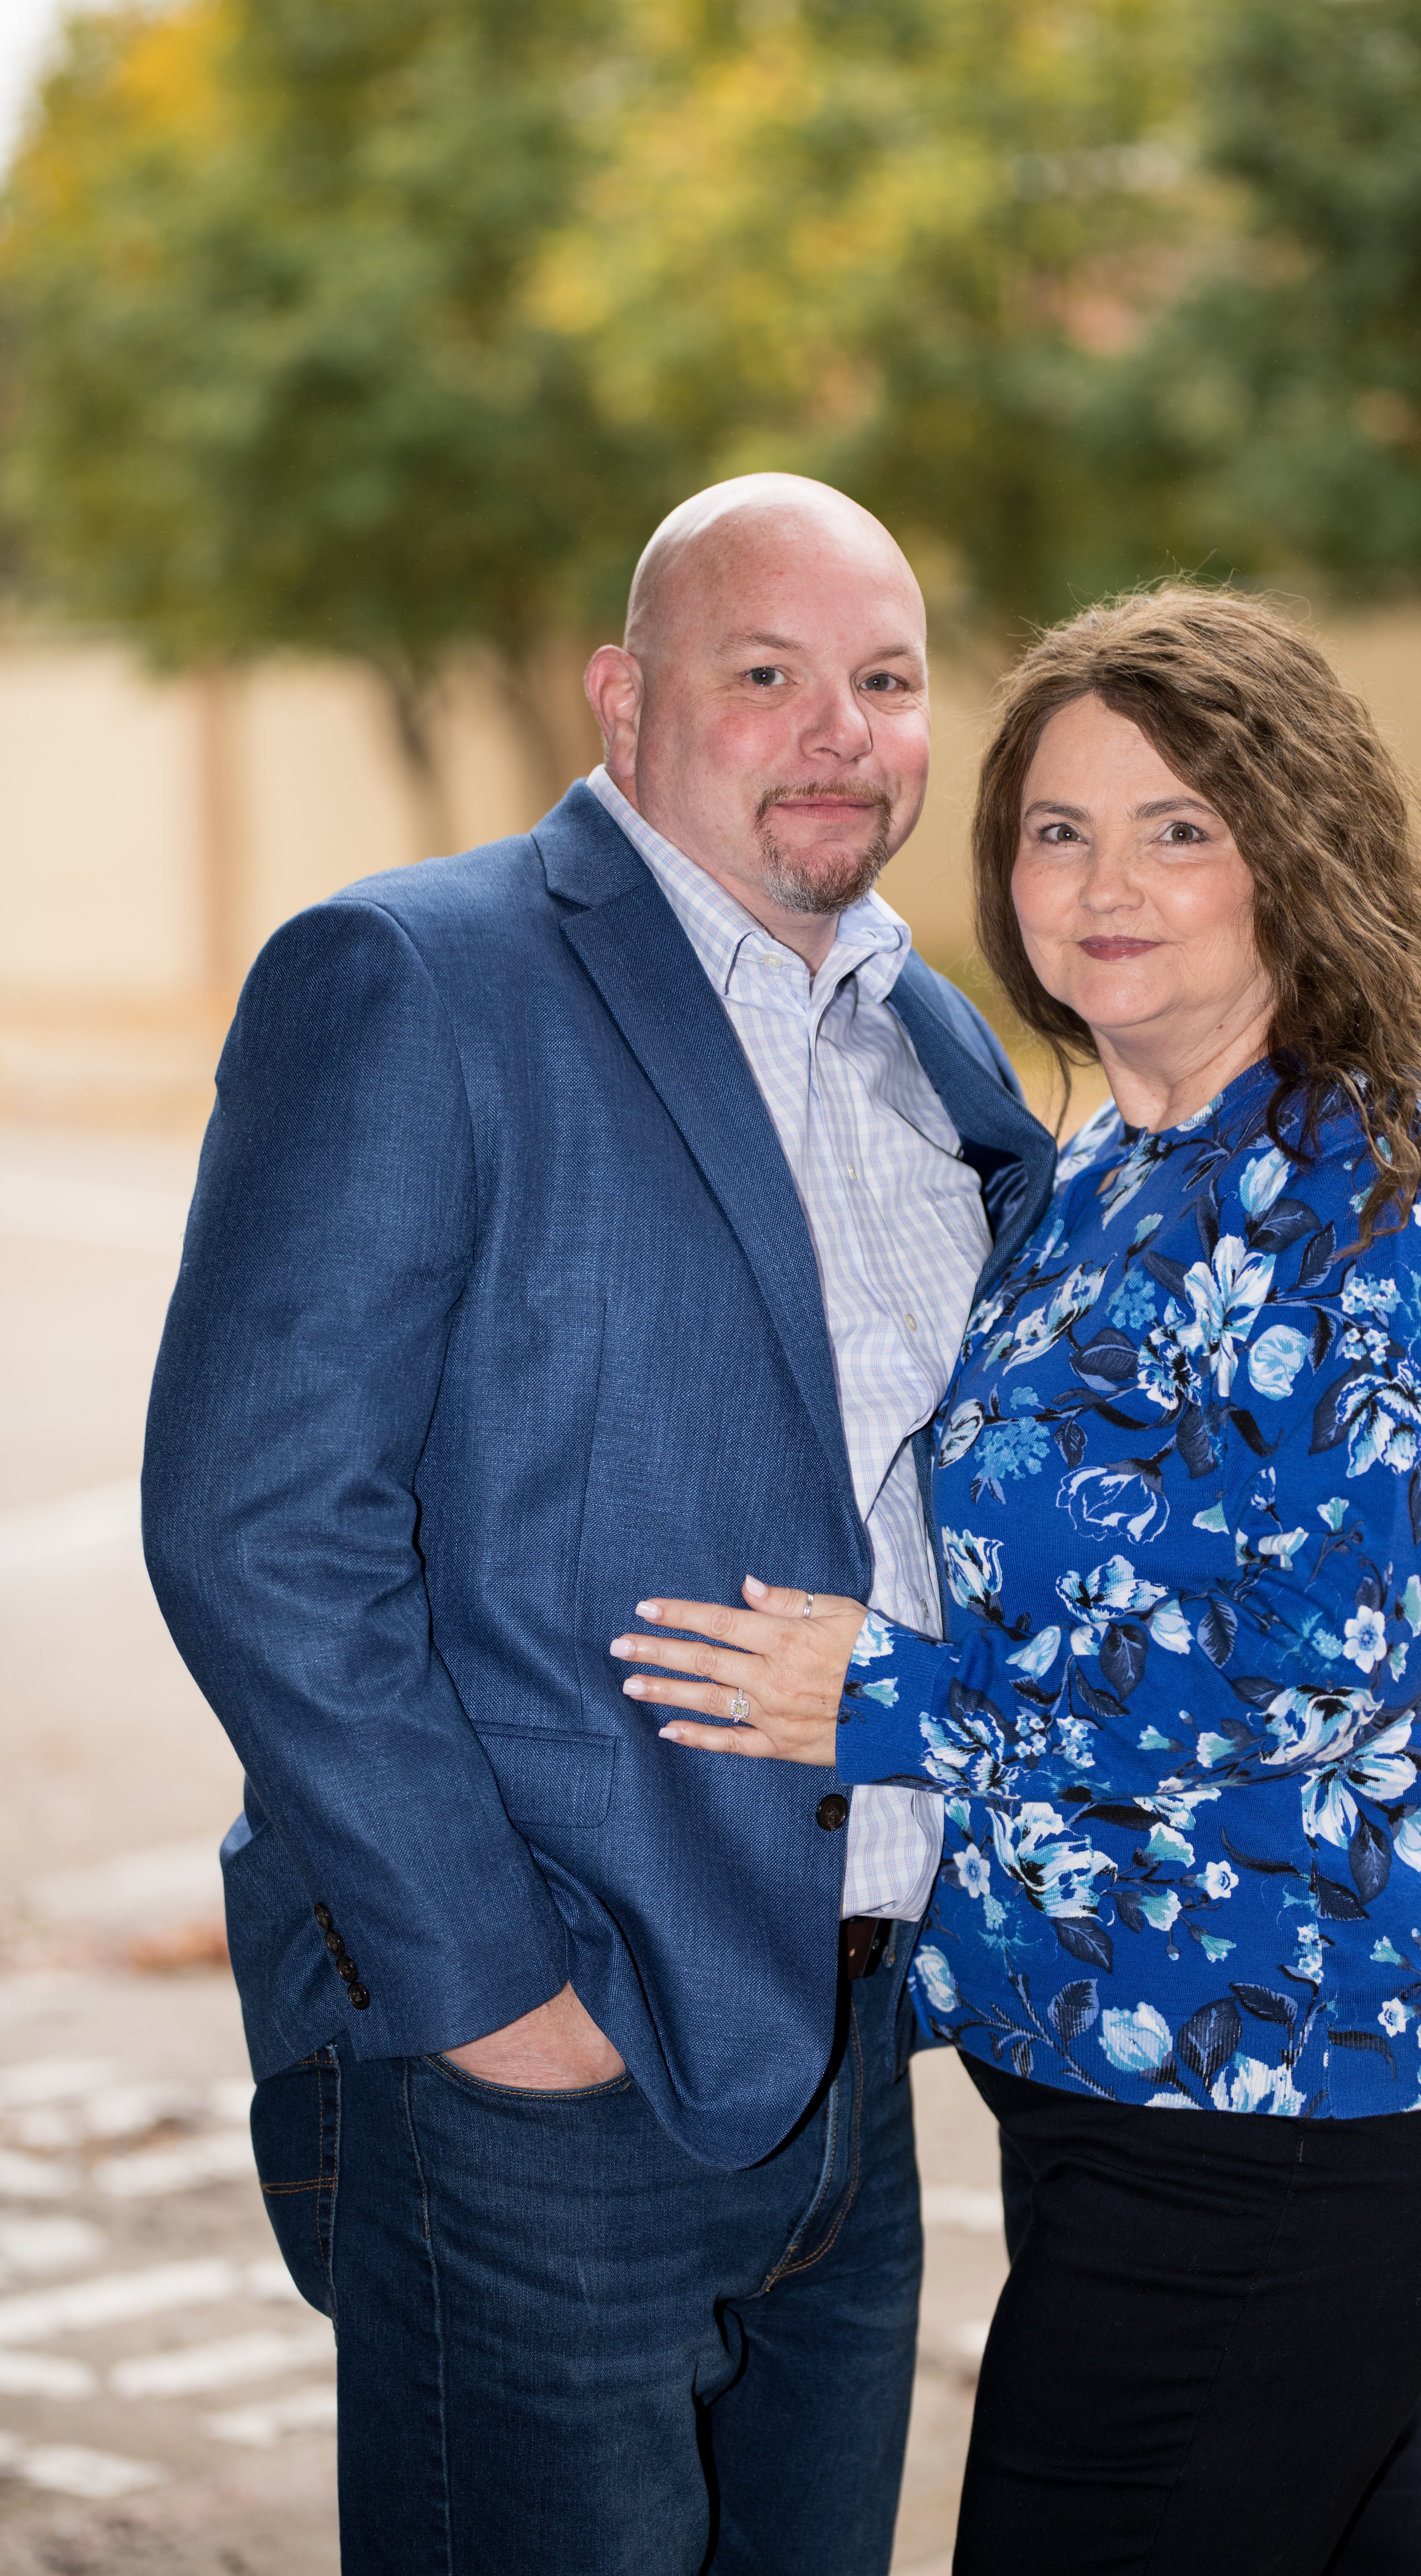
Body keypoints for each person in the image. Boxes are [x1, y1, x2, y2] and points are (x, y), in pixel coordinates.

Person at [141, 471, 1056, 2576]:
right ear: (623, 701)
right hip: (552, 2061)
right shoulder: (415, 978)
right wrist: (489, 2003)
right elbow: (258, 1524)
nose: (843, 729)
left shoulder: (926, 1034)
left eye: (888, 680)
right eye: (767, 675)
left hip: (854, 2053)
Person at [611, 586, 1421, 2576]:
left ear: (1296, 856)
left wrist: (884, 1699)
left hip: (1300, 2081)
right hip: (1115, 2071)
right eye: (1059, 828)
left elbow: (1327, 1667)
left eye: (1179, 827)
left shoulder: (1386, 1196)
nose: (1105, 882)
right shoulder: (1098, 1179)